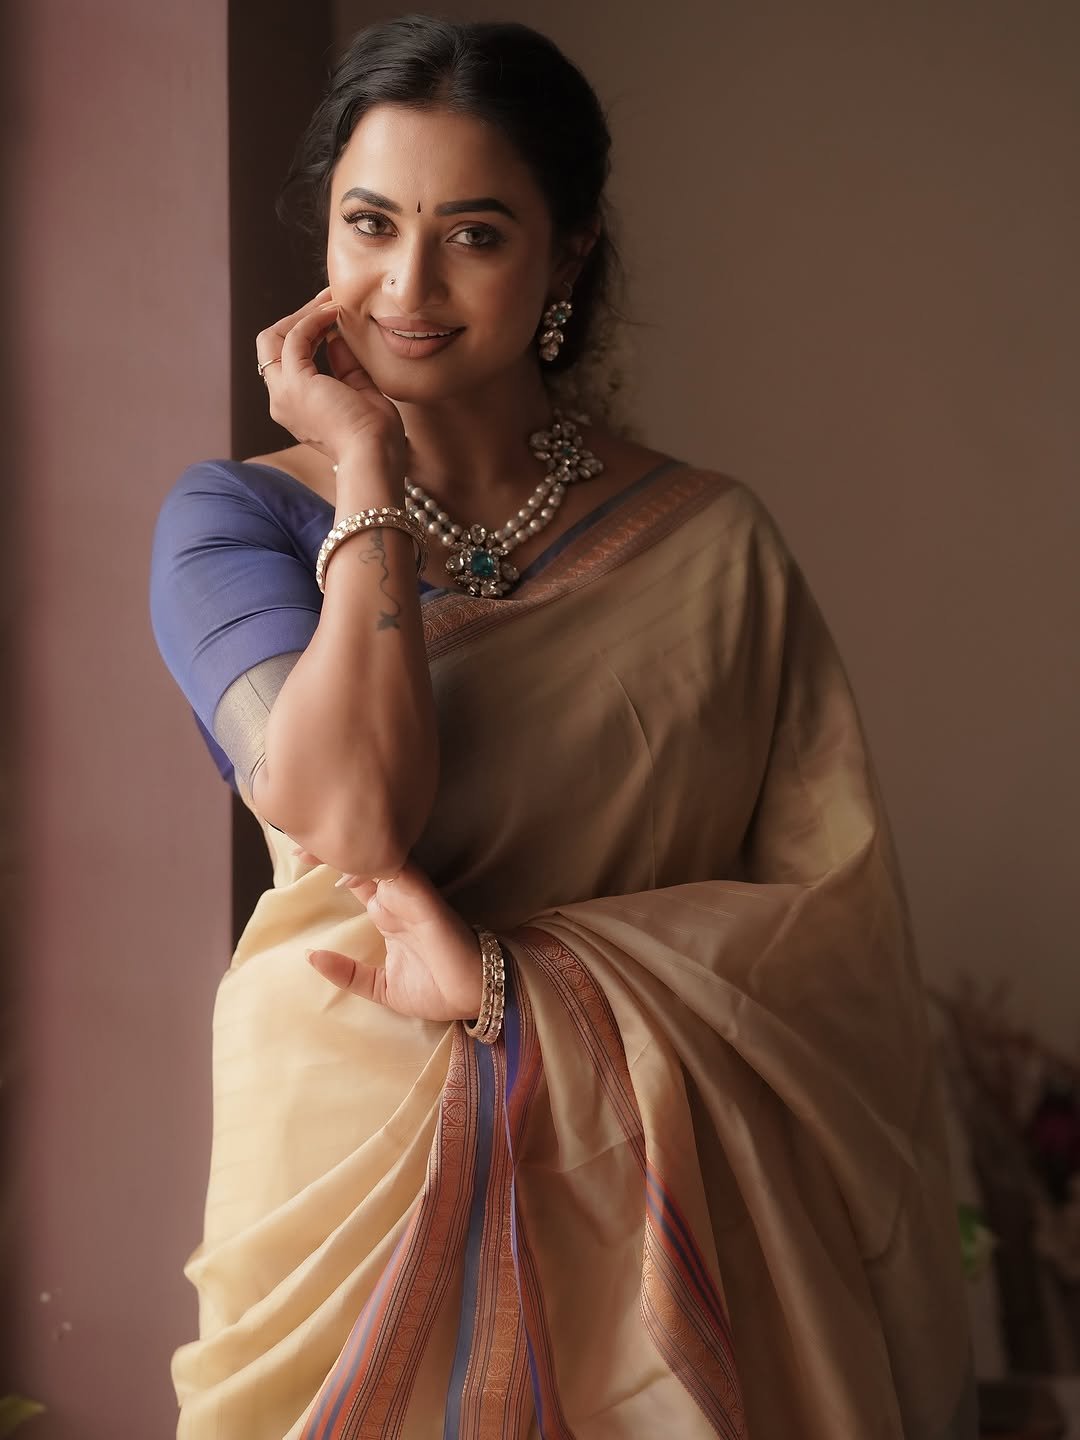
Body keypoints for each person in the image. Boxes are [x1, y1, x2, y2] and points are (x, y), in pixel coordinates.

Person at [149, 15, 977, 1439]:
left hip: (672, 1195)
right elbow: (349, 817)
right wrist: (363, 473)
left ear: (568, 254)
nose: (406, 286)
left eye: (473, 234)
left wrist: (513, 986)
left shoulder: (711, 547)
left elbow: (824, 938)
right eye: (369, 224)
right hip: (348, 1151)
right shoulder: (235, 519)